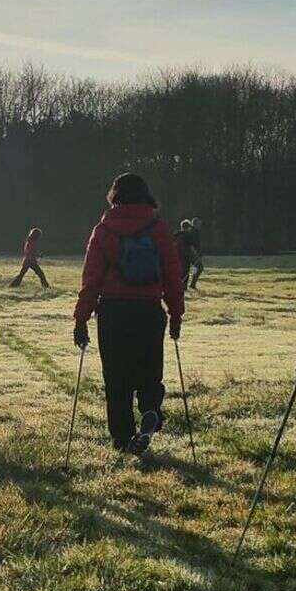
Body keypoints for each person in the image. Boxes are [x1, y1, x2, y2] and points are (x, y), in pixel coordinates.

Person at [73, 173, 185, 455]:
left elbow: (91, 278)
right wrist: (176, 314)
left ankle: (123, 439)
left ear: (114, 195)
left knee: (116, 379)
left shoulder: (103, 230)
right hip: (148, 311)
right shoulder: (158, 227)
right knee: (149, 371)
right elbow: (173, 273)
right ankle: (150, 410)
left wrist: (81, 318)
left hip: (113, 313)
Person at [180, 216, 204, 290]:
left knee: (194, 268)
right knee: (198, 267)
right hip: (191, 254)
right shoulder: (192, 232)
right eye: (199, 224)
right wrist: (196, 254)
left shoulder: (195, 232)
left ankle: (190, 284)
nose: (200, 226)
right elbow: (192, 244)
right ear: (195, 224)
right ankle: (190, 284)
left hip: (193, 254)